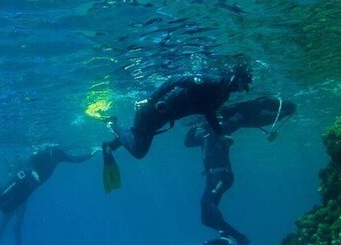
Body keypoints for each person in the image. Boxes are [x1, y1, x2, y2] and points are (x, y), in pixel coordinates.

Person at [177, 96, 296, 245]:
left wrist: (272, 111)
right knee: (205, 217)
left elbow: (243, 120)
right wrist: (199, 121)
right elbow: (187, 141)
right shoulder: (204, 129)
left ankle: (239, 239)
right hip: (213, 177)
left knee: (207, 205)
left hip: (223, 176)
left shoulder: (222, 124)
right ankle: (227, 237)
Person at [101, 64, 252, 192]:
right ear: (236, 78)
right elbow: (174, 80)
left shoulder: (222, 95)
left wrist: (220, 134)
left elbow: (208, 111)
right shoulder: (213, 81)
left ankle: (115, 142)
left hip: (162, 117)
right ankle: (112, 126)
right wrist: (151, 99)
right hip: (152, 111)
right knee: (138, 152)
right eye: (242, 85)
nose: (241, 90)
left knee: (139, 143)